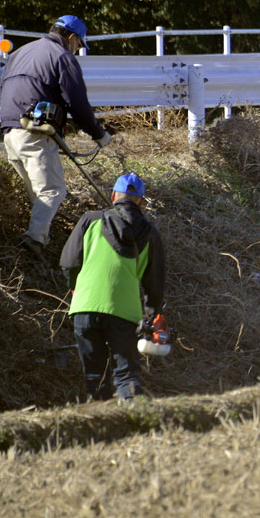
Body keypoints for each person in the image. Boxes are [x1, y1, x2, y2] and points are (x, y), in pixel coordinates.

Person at [0, 15, 111, 261]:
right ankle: (34, 241)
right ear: (71, 38)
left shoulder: (20, 52)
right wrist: (98, 134)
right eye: (79, 45)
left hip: (9, 132)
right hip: (36, 133)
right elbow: (77, 103)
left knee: (39, 195)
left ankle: (35, 255)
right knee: (53, 190)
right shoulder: (62, 57)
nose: (77, 49)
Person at [60, 173, 166, 403]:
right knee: (126, 375)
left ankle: (103, 427)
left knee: (95, 377)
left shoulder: (89, 220)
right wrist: (151, 317)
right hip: (124, 312)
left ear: (113, 196)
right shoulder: (150, 233)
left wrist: (75, 291)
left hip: (85, 307)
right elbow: (154, 283)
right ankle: (134, 421)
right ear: (141, 201)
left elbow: (68, 263)